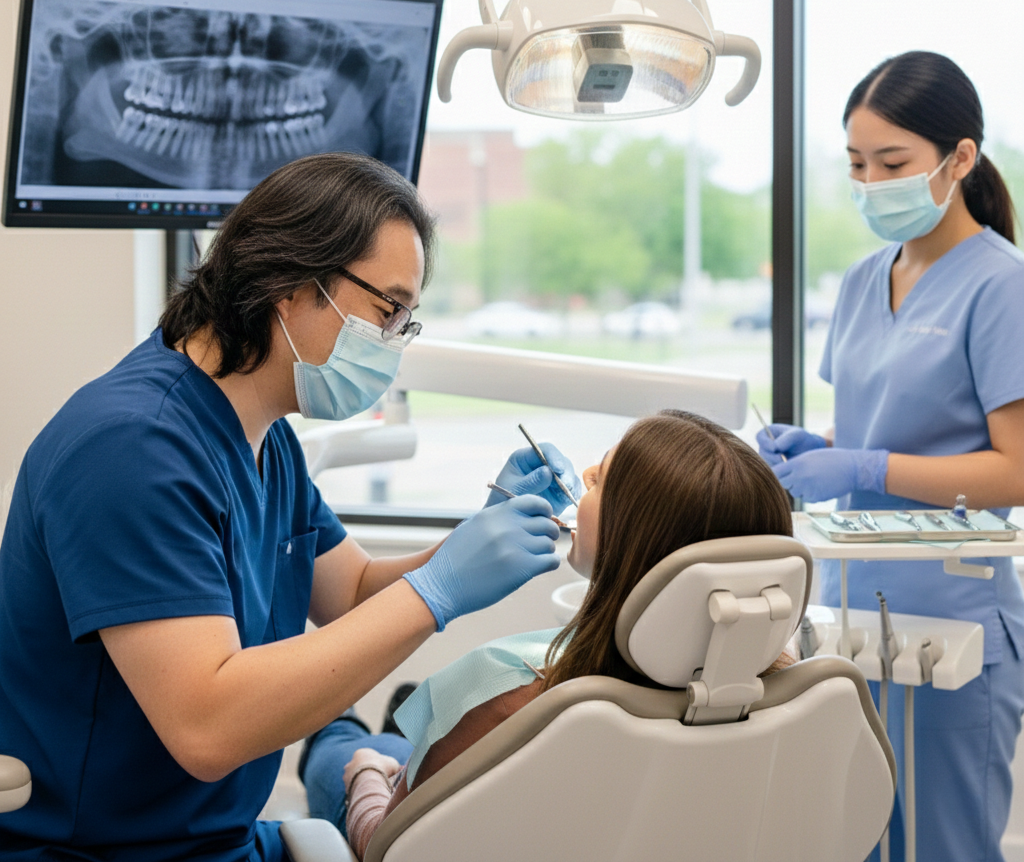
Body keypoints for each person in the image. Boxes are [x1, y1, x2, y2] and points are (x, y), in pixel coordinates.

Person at [0, 152, 581, 861]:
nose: (395, 340)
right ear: (289, 285)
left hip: (220, 841)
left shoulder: (263, 436)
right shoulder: (130, 449)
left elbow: (353, 591)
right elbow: (207, 727)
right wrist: (440, 590)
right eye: (387, 310)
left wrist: (478, 531)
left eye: (408, 319)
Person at [299, 409, 795, 859]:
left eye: (603, 478)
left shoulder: (512, 703)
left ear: (634, 540)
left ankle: (341, 725)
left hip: (402, 794)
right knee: (402, 747)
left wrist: (364, 774)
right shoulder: (779, 694)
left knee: (348, 744)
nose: (584, 476)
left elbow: (387, 846)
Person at [757, 51, 1024, 862]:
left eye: (893, 163)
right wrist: (822, 450)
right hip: (850, 615)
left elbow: (1015, 469)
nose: (872, 182)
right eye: (857, 164)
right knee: (855, 841)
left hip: (954, 617)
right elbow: (880, 425)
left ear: (961, 159)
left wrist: (866, 469)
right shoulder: (862, 280)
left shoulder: (1001, 286)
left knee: (943, 846)